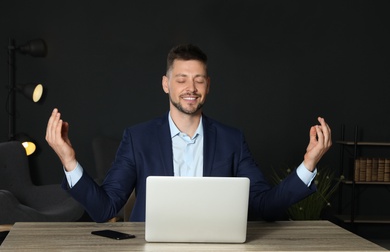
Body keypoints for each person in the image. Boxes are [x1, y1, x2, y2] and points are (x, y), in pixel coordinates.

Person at [46, 44, 332, 222]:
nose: (190, 88)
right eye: (181, 79)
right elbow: (104, 209)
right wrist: (68, 160)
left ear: (208, 85)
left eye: (198, 80)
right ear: (166, 84)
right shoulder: (138, 138)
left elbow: (264, 207)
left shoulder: (232, 140)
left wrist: (308, 165)